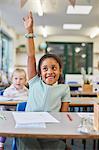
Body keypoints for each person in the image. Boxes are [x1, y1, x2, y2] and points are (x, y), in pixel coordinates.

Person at [16, 11, 71, 150]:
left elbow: (63, 117)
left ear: (60, 70)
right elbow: (31, 56)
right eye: (45, 69)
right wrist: (29, 31)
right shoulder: (34, 82)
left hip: (51, 133)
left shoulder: (64, 89)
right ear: (39, 72)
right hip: (29, 131)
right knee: (26, 141)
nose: (50, 72)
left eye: (54, 68)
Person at [0, 68, 28, 149]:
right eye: (16, 78)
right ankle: (1, 143)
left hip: (21, 114)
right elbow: (4, 104)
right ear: (12, 79)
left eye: (21, 79)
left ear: (25, 80)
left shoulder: (27, 91)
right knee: (4, 125)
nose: (18, 81)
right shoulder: (8, 91)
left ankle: (20, 144)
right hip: (9, 113)